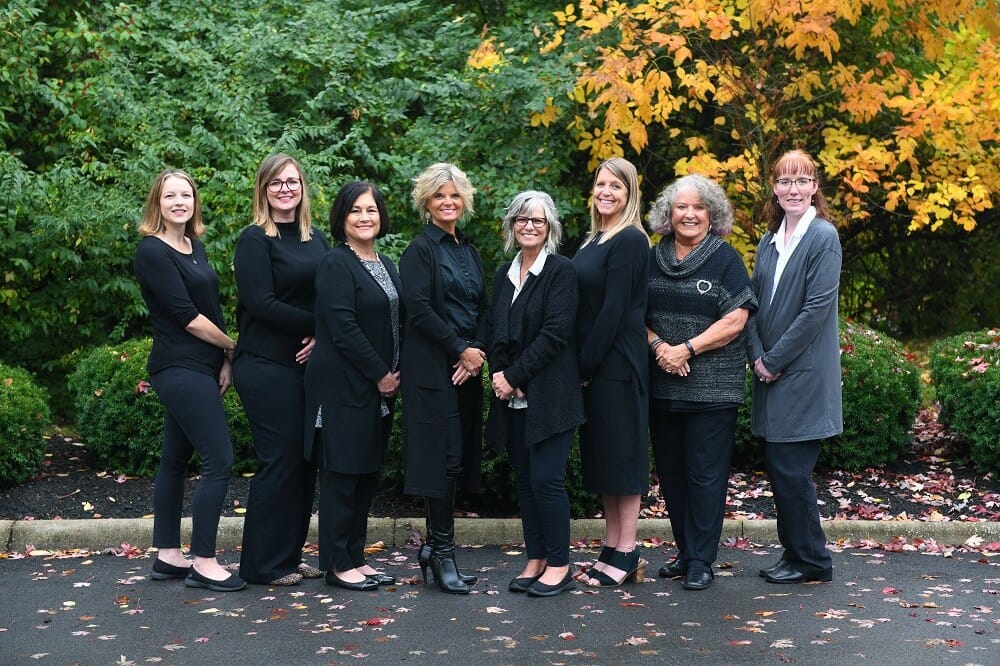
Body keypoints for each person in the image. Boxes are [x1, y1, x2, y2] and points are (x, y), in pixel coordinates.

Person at [133, 168, 245, 592]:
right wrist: (232, 347)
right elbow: (189, 319)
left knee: (175, 459)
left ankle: (167, 555)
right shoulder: (153, 251)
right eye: (169, 196)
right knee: (219, 460)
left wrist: (225, 361)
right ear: (156, 204)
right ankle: (204, 561)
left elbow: (211, 309)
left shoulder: (193, 247)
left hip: (202, 366)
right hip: (177, 367)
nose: (179, 202)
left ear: (194, 202)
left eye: (186, 195)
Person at [644, 174, 757, 591]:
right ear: (668, 214)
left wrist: (686, 349)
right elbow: (636, 316)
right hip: (664, 386)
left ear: (712, 215)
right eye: (681, 207)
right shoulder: (653, 258)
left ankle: (702, 561)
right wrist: (660, 348)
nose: (689, 214)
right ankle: (686, 550)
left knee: (705, 476)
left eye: (699, 208)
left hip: (712, 390)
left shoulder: (725, 259)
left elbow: (736, 319)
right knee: (672, 476)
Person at [746, 149, 842, 584]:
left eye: (802, 180)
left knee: (792, 473)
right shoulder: (768, 242)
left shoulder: (823, 237)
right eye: (785, 181)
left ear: (815, 187)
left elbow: (816, 309)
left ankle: (812, 561)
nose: (793, 189)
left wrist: (773, 359)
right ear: (775, 188)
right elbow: (750, 305)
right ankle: (796, 554)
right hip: (770, 372)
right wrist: (756, 356)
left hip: (801, 375)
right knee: (782, 473)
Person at [232, 154, 328, 586]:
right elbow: (261, 304)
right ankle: (261, 566)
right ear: (263, 190)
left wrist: (324, 335)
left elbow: (330, 295)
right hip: (266, 365)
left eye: (292, 182)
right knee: (280, 460)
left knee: (305, 461)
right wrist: (319, 327)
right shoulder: (255, 240)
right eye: (276, 183)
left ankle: (286, 557)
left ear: (302, 188)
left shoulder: (318, 239)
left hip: (307, 369)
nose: (285, 189)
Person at [485, 191, 585, 598]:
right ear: (511, 225)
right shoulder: (504, 274)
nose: (529, 226)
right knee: (525, 482)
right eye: (522, 219)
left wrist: (515, 374)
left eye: (538, 221)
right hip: (513, 395)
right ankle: (536, 557)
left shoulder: (560, 272)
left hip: (551, 395)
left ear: (550, 229)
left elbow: (555, 333)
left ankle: (560, 565)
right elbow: (496, 331)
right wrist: (500, 375)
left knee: (547, 480)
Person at [304, 182, 401, 592]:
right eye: (356, 211)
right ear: (342, 218)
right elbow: (342, 328)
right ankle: (337, 564)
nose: (365, 217)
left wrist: (395, 374)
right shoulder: (335, 264)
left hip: (380, 388)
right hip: (344, 385)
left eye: (372, 210)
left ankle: (356, 558)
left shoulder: (387, 263)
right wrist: (380, 373)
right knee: (342, 476)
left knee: (365, 475)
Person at [399, 162, 487, 594]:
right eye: (439, 196)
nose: (448, 202)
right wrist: (460, 349)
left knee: (457, 461)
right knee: (441, 460)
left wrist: (476, 355)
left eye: (454, 195)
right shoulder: (420, 250)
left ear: (463, 200)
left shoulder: (468, 250)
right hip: (432, 371)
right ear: (426, 203)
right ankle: (442, 551)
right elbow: (418, 308)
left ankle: (437, 549)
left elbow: (485, 308)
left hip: (466, 370)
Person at [573, 157, 651, 587]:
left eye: (616, 187)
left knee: (623, 457)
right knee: (603, 458)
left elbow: (613, 311)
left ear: (630, 194)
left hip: (617, 364)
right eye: (601, 183)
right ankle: (610, 545)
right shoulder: (594, 240)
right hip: (595, 367)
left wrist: (585, 364)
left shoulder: (630, 242)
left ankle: (628, 549)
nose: (606, 192)